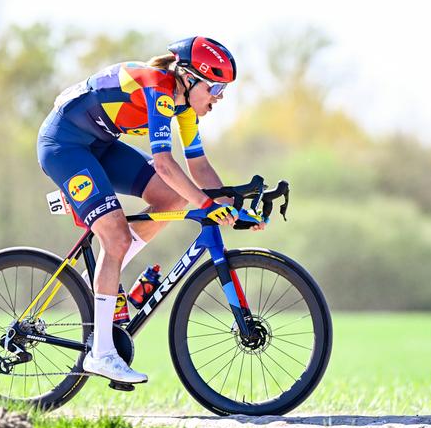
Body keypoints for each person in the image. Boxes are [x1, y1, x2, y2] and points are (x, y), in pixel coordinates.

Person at [36, 36, 263, 385]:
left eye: (224, 89)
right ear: (188, 78)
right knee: (116, 236)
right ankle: (101, 353)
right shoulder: (158, 88)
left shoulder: (185, 107)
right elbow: (165, 164)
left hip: (100, 144)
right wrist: (206, 204)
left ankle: (102, 281)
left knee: (172, 200)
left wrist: (233, 207)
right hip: (64, 145)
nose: (219, 97)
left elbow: (199, 166)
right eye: (215, 86)